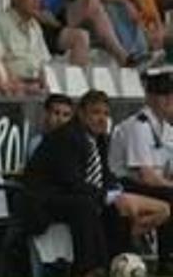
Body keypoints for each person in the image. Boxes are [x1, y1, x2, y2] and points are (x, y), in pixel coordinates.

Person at [23, 90, 170, 277]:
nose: (102, 119)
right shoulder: (67, 137)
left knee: (121, 202)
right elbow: (72, 182)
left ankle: (130, 257)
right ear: (81, 114)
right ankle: (91, 269)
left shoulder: (98, 139)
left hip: (77, 194)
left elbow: (104, 175)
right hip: (44, 200)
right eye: (96, 113)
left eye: (106, 114)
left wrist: (118, 191)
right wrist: (110, 197)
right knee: (86, 205)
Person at [108, 66, 173, 273]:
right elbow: (146, 175)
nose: (169, 100)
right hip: (124, 185)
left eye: (172, 95)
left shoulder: (167, 129)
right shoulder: (138, 125)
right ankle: (167, 260)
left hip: (153, 185)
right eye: (163, 95)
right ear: (150, 98)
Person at [27, 93, 74, 158]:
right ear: (47, 114)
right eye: (56, 113)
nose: (60, 119)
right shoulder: (37, 143)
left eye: (66, 115)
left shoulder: (77, 144)